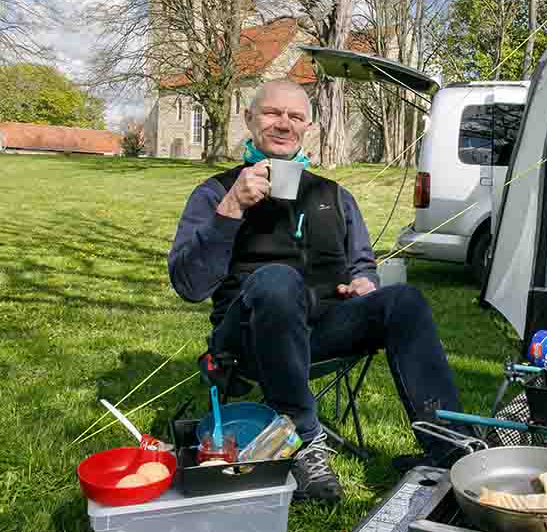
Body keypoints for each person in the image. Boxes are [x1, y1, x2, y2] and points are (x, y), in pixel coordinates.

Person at [168, 79, 467, 503]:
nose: (283, 124)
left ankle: (449, 448)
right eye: (272, 113)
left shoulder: (334, 195)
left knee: (405, 299)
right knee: (277, 279)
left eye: (295, 117)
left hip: (323, 326)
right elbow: (189, 285)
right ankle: (305, 442)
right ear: (250, 119)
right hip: (247, 336)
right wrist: (232, 206)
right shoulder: (216, 191)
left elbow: (363, 264)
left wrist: (365, 284)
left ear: (308, 126)